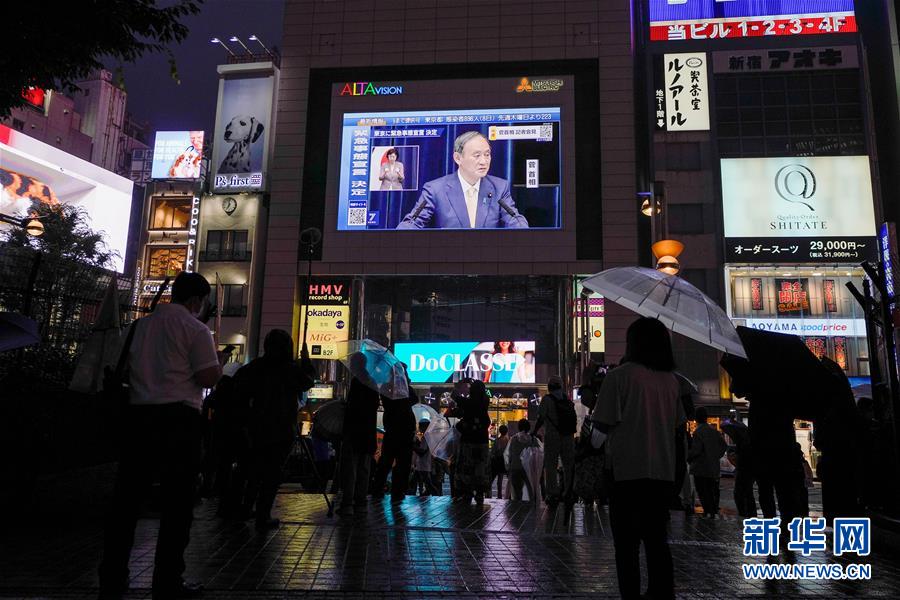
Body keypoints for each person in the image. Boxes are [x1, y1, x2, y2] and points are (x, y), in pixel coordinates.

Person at [99, 272, 223, 600]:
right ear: (197, 301)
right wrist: (218, 366)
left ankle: (112, 577)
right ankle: (167, 580)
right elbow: (208, 375)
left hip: (138, 419)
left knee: (126, 503)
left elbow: (119, 369)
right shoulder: (195, 330)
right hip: (179, 421)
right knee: (177, 507)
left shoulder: (139, 327)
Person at [591, 317, 685, 600]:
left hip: (627, 472)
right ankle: (661, 593)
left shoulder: (619, 377)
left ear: (632, 343)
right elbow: (678, 429)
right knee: (657, 541)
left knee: (627, 546)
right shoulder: (671, 382)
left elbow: (602, 427)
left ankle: (630, 596)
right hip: (662, 474)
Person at [234, 330, 316, 529]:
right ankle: (263, 515)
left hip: (256, 426)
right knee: (272, 473)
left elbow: (239, 387)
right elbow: (308, 382)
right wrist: (306, 360)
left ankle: (245, 508)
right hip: (281, 428)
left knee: (254, 470)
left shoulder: (255, 367)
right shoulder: (290, 369)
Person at [396, 131, 529, 229]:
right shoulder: (435, 190)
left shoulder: (499, 188)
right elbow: (413, 221)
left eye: (487, 154)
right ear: (458, 158)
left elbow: (513, 219)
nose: (484, 161)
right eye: (477, 155)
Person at [337, 353, 380, 516]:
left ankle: (347, 503)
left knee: (350, 469)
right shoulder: (372, 382)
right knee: (364, 468)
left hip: (354, 432)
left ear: (356, 364)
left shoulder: (357, 382)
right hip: (368, 433)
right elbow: (373, 406)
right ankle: (361, 500)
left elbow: (353, 409)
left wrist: (346, 406)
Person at [371, 368, 417, 503]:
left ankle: (380, 489)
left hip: (393, 430)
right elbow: (413, 399)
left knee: (387, 462)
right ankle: (396, 491)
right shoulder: (398, 388)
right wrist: (406, 384)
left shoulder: (387, 387)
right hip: (401, 430)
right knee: (399, 463)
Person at [534, 375, 577, 509]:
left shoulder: (547, 399)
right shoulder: (567, 399)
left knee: (551, 465)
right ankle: (569, 491)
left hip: (553, 436)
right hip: (568, 436)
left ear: (549, 387)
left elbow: (541, 417)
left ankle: (552, 493)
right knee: (568, 465)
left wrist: (534, 431)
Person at [448, 379, 491, 505]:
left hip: (468, 440)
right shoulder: (484, 402)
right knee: (480, 468)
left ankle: (467, 493)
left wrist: (459, 383)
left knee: (467, 467)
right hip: (482, 440)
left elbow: (454, 395)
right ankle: (479, 493)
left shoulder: (468, 403)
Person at [688, 407, 727, 518]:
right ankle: (713, 510)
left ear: (697, 418)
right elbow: (724, 446)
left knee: (702, 490)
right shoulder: (714, 431)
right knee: (712, 489)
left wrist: (688, 456)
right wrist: (716, 456)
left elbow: (696, 450)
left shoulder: (698, 432)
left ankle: (706, 511)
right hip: (713, 466)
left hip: (700, 467)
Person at [507, 419, 539, 500]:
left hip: (515, 467)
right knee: (530, 489)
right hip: (528, 468)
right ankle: (532, 508)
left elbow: (509, 454)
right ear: (529, 428)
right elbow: (537, 454)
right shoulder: (533, 439)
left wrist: (509, 467)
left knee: (517, 491)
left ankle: (518, 508)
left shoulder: (514, 439)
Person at [413, 420, 433, 495]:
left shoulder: (426, 437)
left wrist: (413, 446)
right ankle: (424, 495)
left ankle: (436, 495)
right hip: (421, 464)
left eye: (420, 426)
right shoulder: (425, 436)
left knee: (429, 484)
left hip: (423, 464)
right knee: (425, 483)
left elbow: (422, 452)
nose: (419, 428)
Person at [488, 424, 509, 498]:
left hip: (497, 461)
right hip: (504, 461)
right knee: (500, 479)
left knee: (492, 478)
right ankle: (500, 495)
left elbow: (493, 452)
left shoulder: (498, 440)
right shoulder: (508, 440)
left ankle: (489, 494)